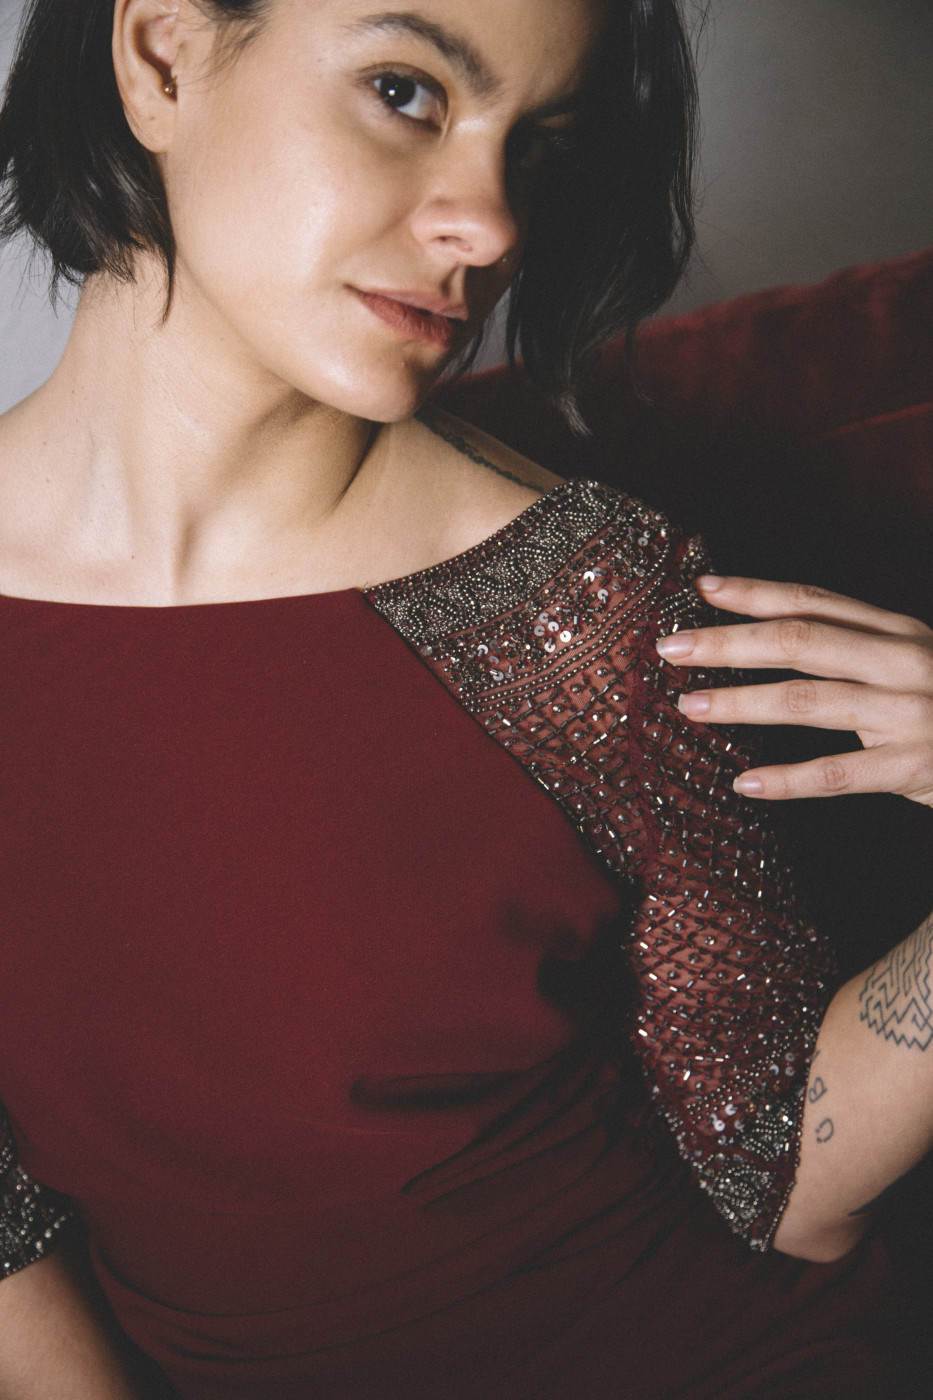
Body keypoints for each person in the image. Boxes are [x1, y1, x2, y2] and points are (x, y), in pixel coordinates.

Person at [0, 0, 930, 1397]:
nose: (489, 226)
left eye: (537, 147)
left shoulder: (590, 600)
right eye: (406, 91)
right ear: (162, 52)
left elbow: (778, 1177)